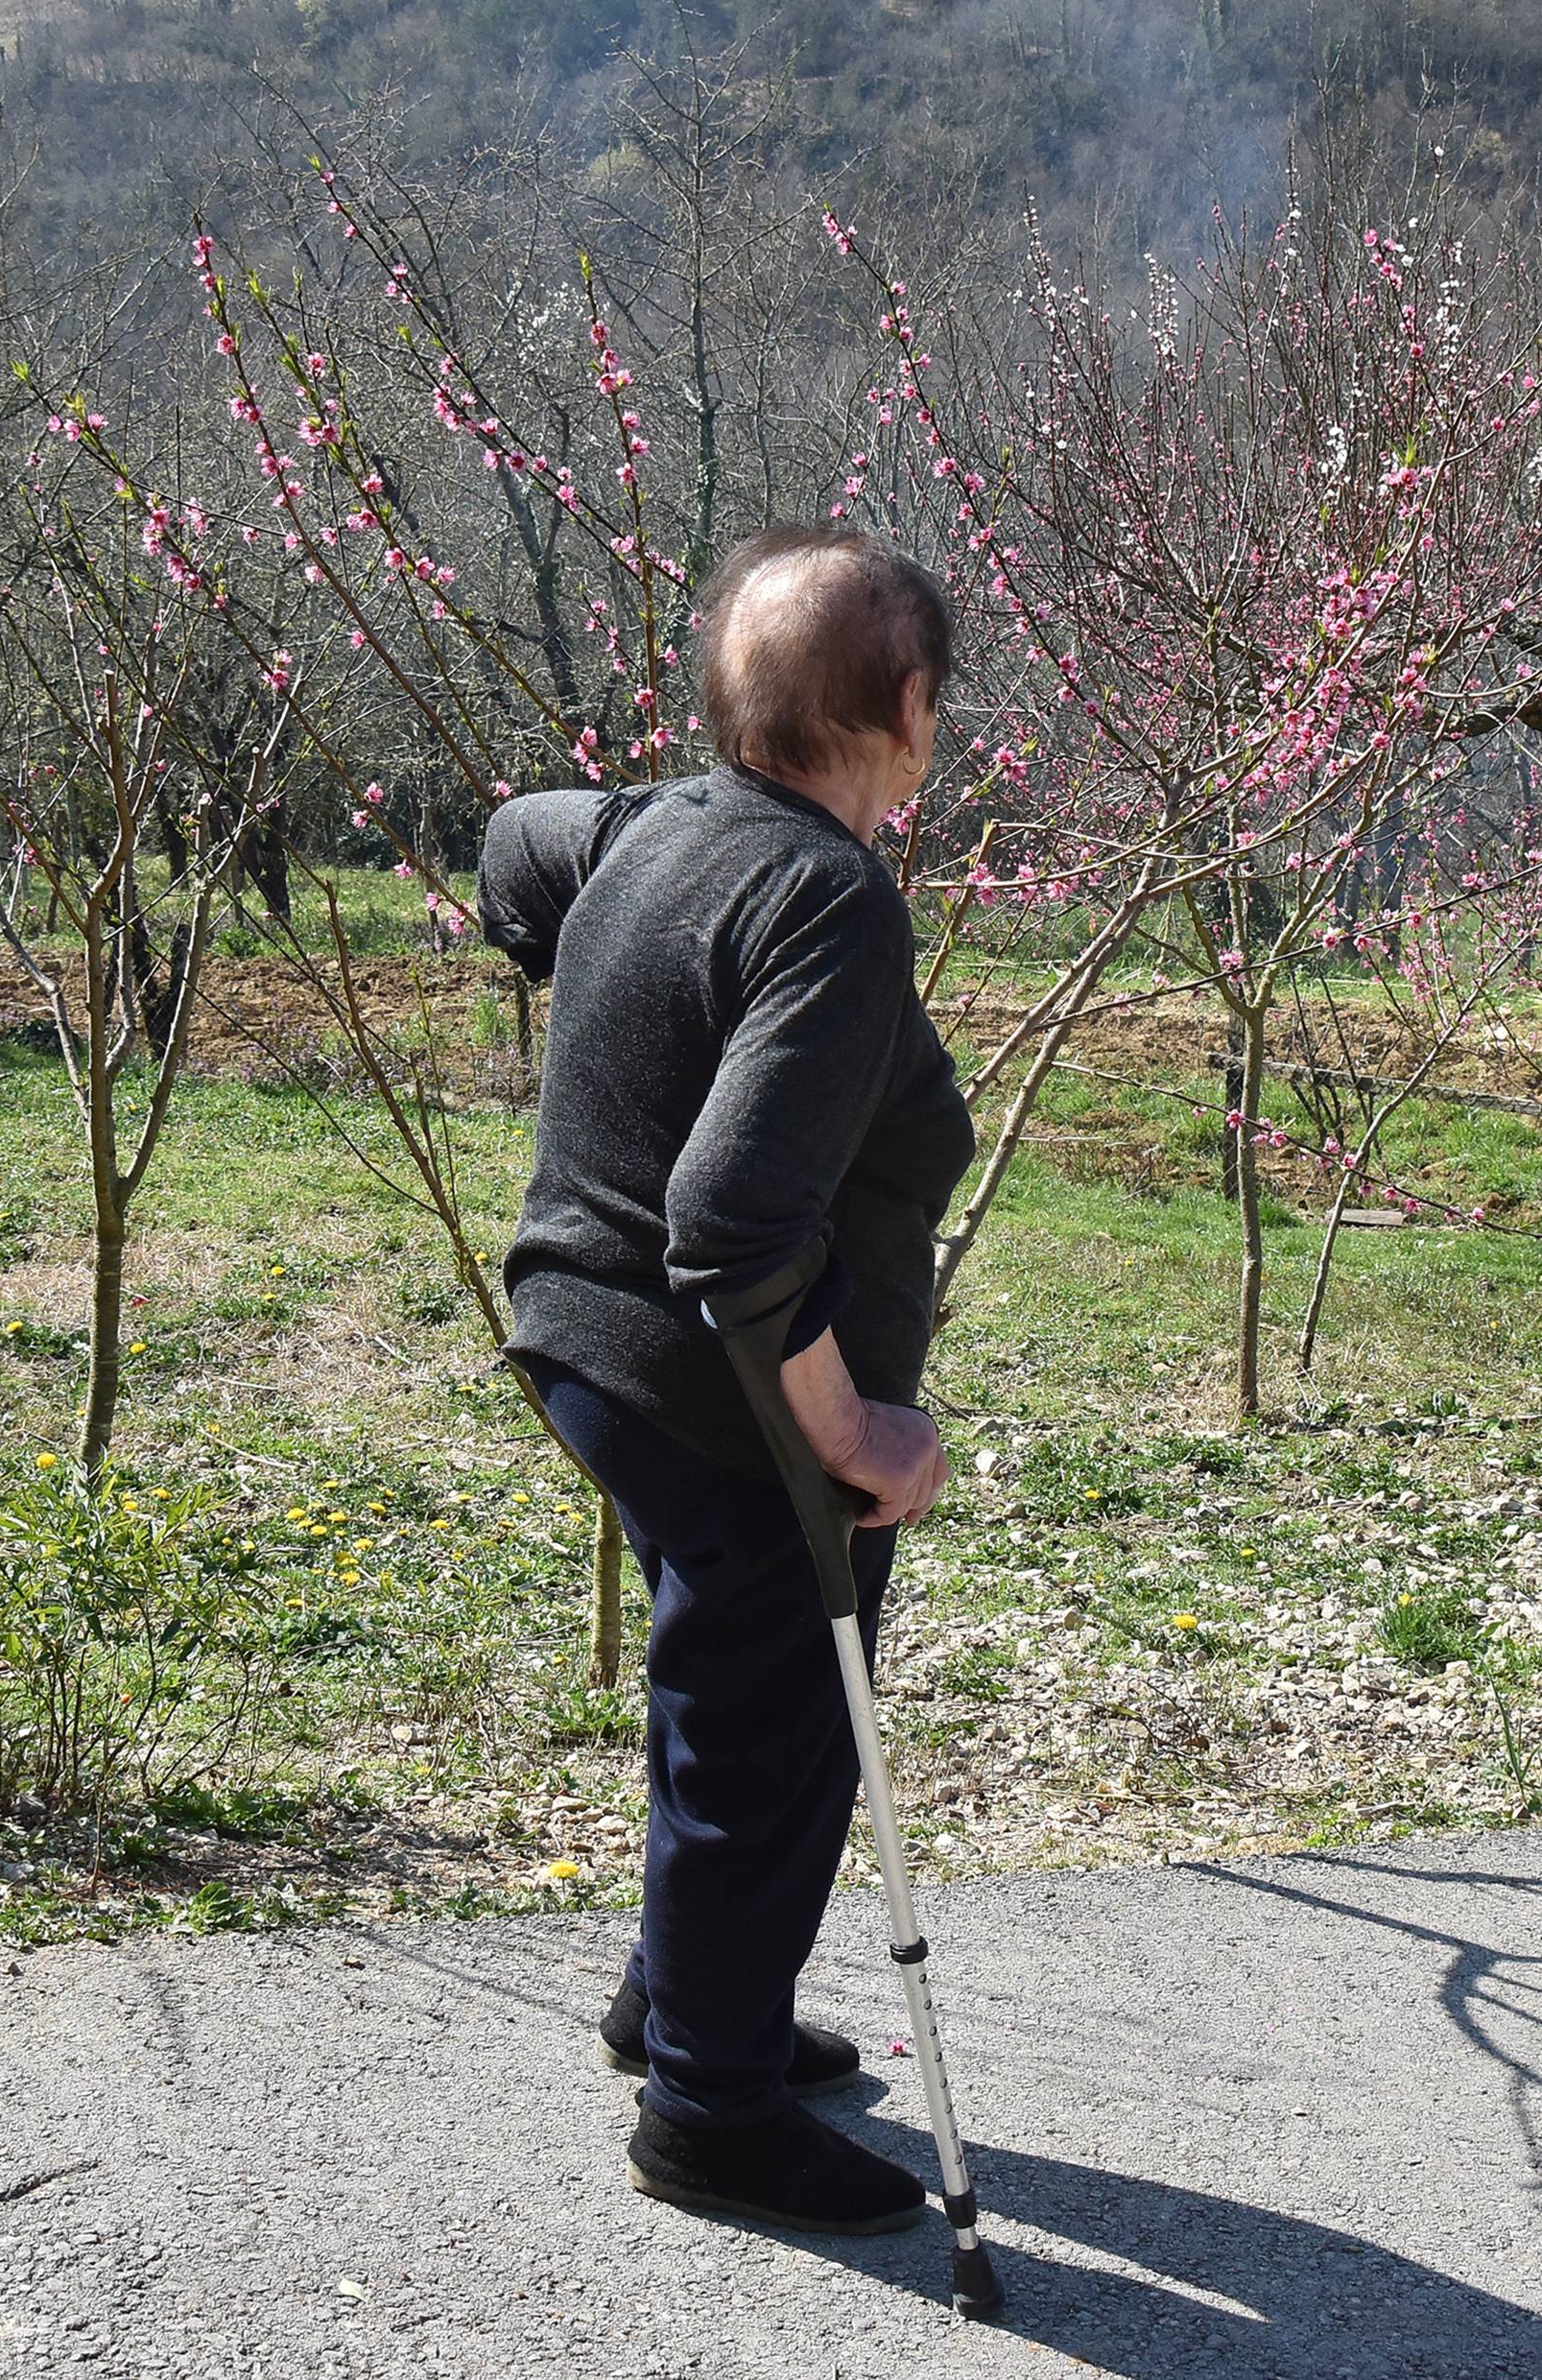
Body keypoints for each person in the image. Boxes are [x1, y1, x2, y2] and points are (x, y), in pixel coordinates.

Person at [477, 522, 977, 2238]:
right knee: (774, 1734)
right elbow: (733, 1220)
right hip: (719, 1391)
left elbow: (510, 850)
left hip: (581, 1335)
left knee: (729, 1701)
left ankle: (683, 2003)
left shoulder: (654, 825)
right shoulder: (834, 900)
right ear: (907, 707)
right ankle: (709, 2111)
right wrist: (854, 1430)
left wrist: (613, 978)